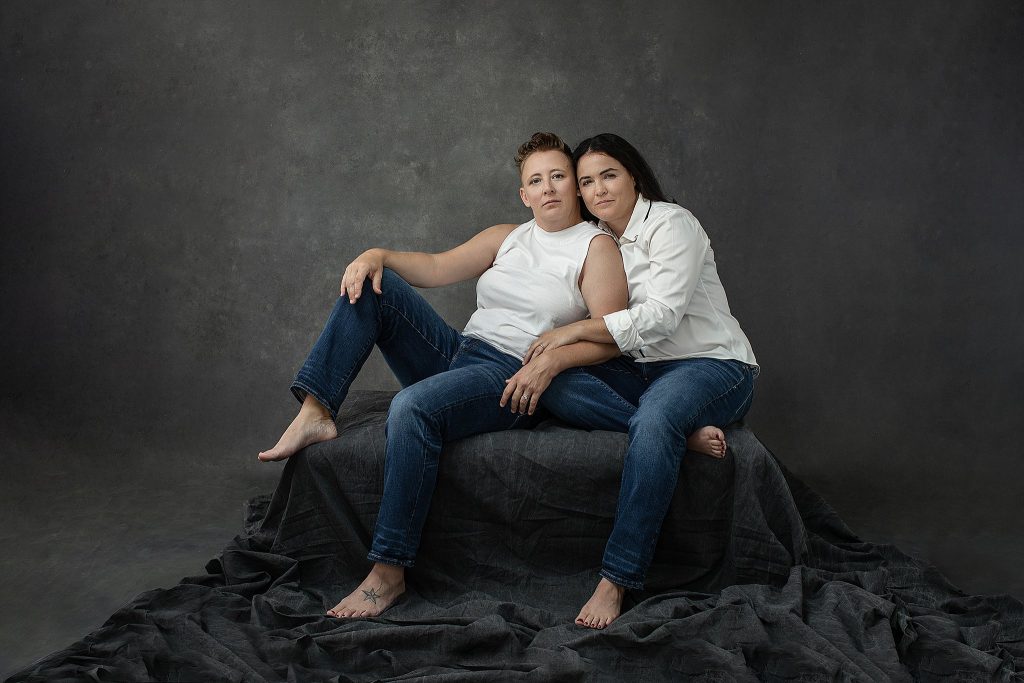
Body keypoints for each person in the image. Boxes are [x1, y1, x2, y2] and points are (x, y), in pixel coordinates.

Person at [257, 132, 630, 618]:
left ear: (576, 187)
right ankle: (316, 409)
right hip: (461, 350)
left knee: (410, 407)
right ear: (524, 194)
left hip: (510, 372)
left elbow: (610, 335)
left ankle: (388, 573)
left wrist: (549, 362)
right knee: (379, 285)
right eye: (535, 181)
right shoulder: (507, 236)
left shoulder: (595, 246)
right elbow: (433, 267)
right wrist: (378, 254)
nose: (548, 189)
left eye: (558, 176)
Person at [518, 133, 759, 630]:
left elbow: (663, 317)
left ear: (633, 176)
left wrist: (574, 330)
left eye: (609, 174)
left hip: (711, 365)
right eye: (586, 181)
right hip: (645, 371)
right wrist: (554, 354)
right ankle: (678, 434)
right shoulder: (600, 242)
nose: (599, 189)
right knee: (557, 382)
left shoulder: (673, 224)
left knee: (654, 416)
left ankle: (617, 579)